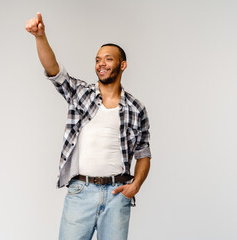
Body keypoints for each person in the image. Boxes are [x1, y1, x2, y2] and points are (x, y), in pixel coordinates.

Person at [25, 12, 152, 240]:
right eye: (97, 59)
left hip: (117, 194)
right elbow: (55, 72)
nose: (101, 64)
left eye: (108, 59)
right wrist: (40, 37)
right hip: (81, 192)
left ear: (122, 65)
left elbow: (144, 153)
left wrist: (136, 185)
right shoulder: (82, 94)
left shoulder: (136, 108)